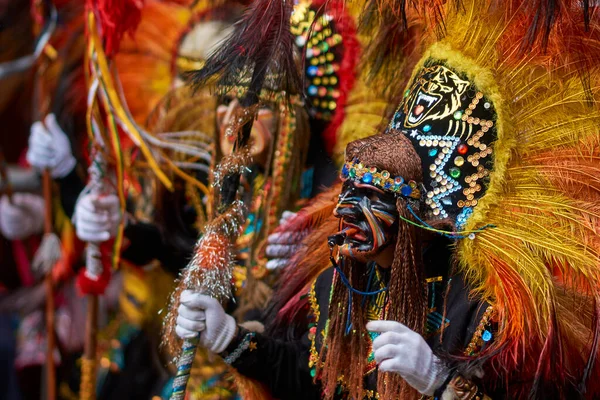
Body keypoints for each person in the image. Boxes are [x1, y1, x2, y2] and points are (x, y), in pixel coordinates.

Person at [173, 0, 600, 398]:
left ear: (416, 214)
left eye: (377, 198)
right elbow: (309, 379)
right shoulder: (338, 283)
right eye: (350, 193)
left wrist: (440, 382)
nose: (347, 212)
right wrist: (231, 339)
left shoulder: (478, 312)